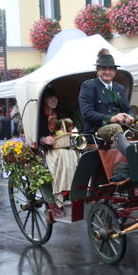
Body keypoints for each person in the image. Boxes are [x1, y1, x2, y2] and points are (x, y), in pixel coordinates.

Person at [79, 48, 138, 156]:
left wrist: (130, 117)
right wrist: (111, 118)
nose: (107, 72)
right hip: (98, 129)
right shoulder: (89, 86)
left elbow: (128, 109)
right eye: (104, 68)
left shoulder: (119, 88)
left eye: (111, 69)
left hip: (123, 128)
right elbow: (87, 113)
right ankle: (133, 158)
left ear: (115, 72)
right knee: (116, 128)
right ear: (98, 71)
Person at [38, 88, 79, 216]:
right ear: (44, 99)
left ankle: (70, 189)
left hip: (60, 145)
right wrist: (43, 139)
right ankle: (59, 193)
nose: (54, 100)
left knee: (73, 154)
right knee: (62, 155)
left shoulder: (58, 115)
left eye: (56, 98)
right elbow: (33, 135)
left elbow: (65, 130)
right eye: (51, 98)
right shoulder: (39, 116)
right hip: (46, 149)